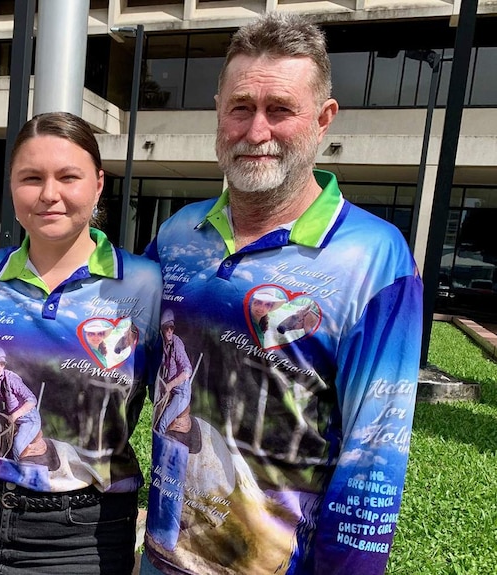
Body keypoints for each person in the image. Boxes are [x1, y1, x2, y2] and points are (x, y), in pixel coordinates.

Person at [142, 13, 423, 575]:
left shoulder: (374, 256)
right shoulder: (177, 235)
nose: (256, 131)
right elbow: (117, 362)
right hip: (162, 556)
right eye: (240, 107)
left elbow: (375, 453)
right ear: (218, 114)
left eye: (280, 110)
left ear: (323, 120)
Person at [0, 111, 162, 574]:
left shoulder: (146, 285)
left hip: (85, 534)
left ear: (99, 184)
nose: (49, 194)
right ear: (12, 186)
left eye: (68, 176)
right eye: (31, 177)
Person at [0, 345, 45, 459]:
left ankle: (16, 472)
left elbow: (32, 400)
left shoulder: (11, 379)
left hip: (28, 419)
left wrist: (14, 415)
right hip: (9, 415)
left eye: (2, 364)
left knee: (16, 447)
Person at [154, 309, 192, 435]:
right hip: (165, 386)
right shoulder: (160, 343)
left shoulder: (177, 344)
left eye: (172, 328)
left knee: (163, 422)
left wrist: (171, 384)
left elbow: (188, 370)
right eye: (166, 328)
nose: (169, 331)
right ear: (162, 329)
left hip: (181, 392)